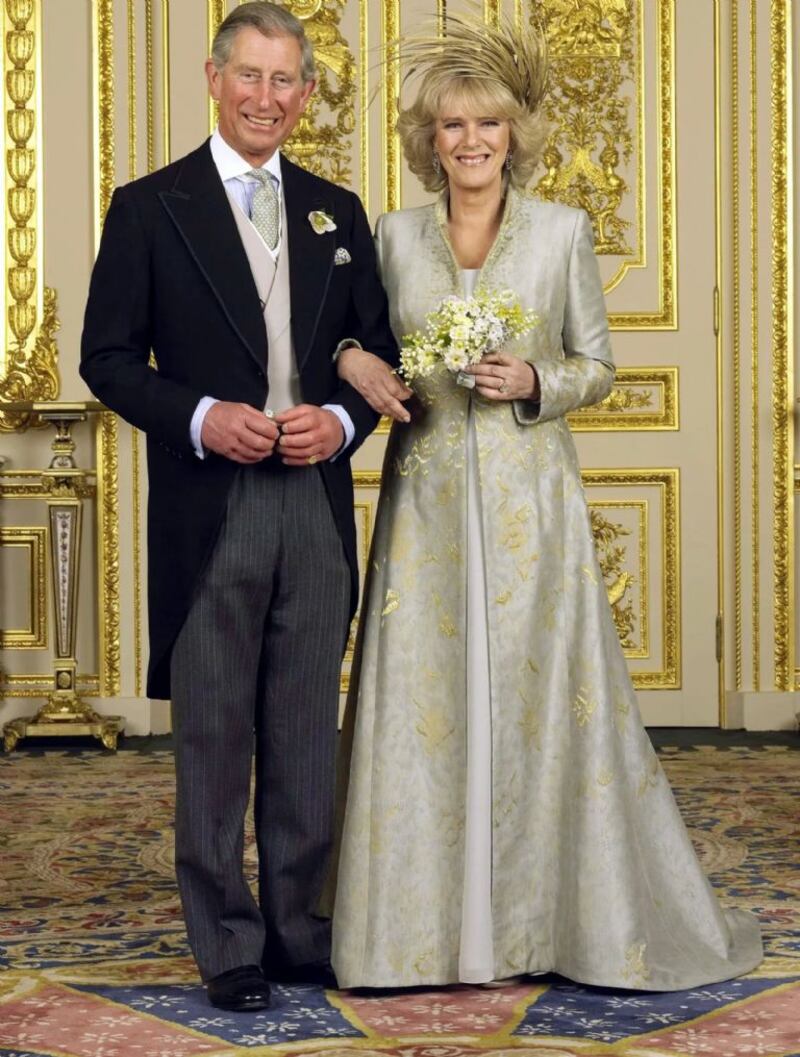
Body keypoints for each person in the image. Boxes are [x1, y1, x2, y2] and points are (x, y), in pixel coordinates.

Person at [329, 13, 762, 991]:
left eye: (487, 124)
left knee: (532, 700)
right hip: (425, 507)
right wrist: (357, 361)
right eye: (451, 125)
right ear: (427, 140)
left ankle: (538, 926)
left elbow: (596, 366)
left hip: (533, 509)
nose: (470, 141)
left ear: (513, 135)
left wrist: (533, 379)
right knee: (424, 704)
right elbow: (353, 341)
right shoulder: (391, 237)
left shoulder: (562, 231)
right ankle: (412, 937)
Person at [80, 2, 397, 1012]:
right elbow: (107, 359)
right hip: (210, 504)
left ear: (306, 93)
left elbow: (375, 353)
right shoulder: (148, 206)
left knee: (304, 729)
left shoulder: (336, 210)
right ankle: (226, 942)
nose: (266, 97)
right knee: (215, 732)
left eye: (284, 79)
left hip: (312, 501)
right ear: (214, 79)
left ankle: (299, 928)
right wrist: (202, 416)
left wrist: (339, 424)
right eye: (249, 75)